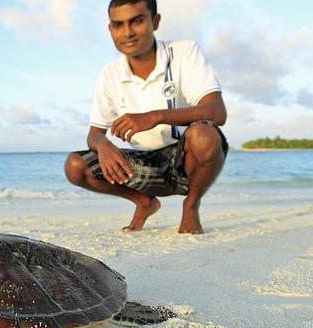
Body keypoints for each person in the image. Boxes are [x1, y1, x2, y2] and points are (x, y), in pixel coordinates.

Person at [64, 0, 228, 234]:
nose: (128, 33)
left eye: (137, 21)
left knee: (204, 135)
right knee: (75, 166)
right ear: (110, 29)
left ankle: (191, 205)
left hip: (184, 160)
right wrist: (104, 146)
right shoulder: (109, 73)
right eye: (118, 25)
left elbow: (217, 112)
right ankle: (144, 202)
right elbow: (95, 133)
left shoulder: (184, 52)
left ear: (155, 21)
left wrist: (155, 116)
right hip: (143, 166)